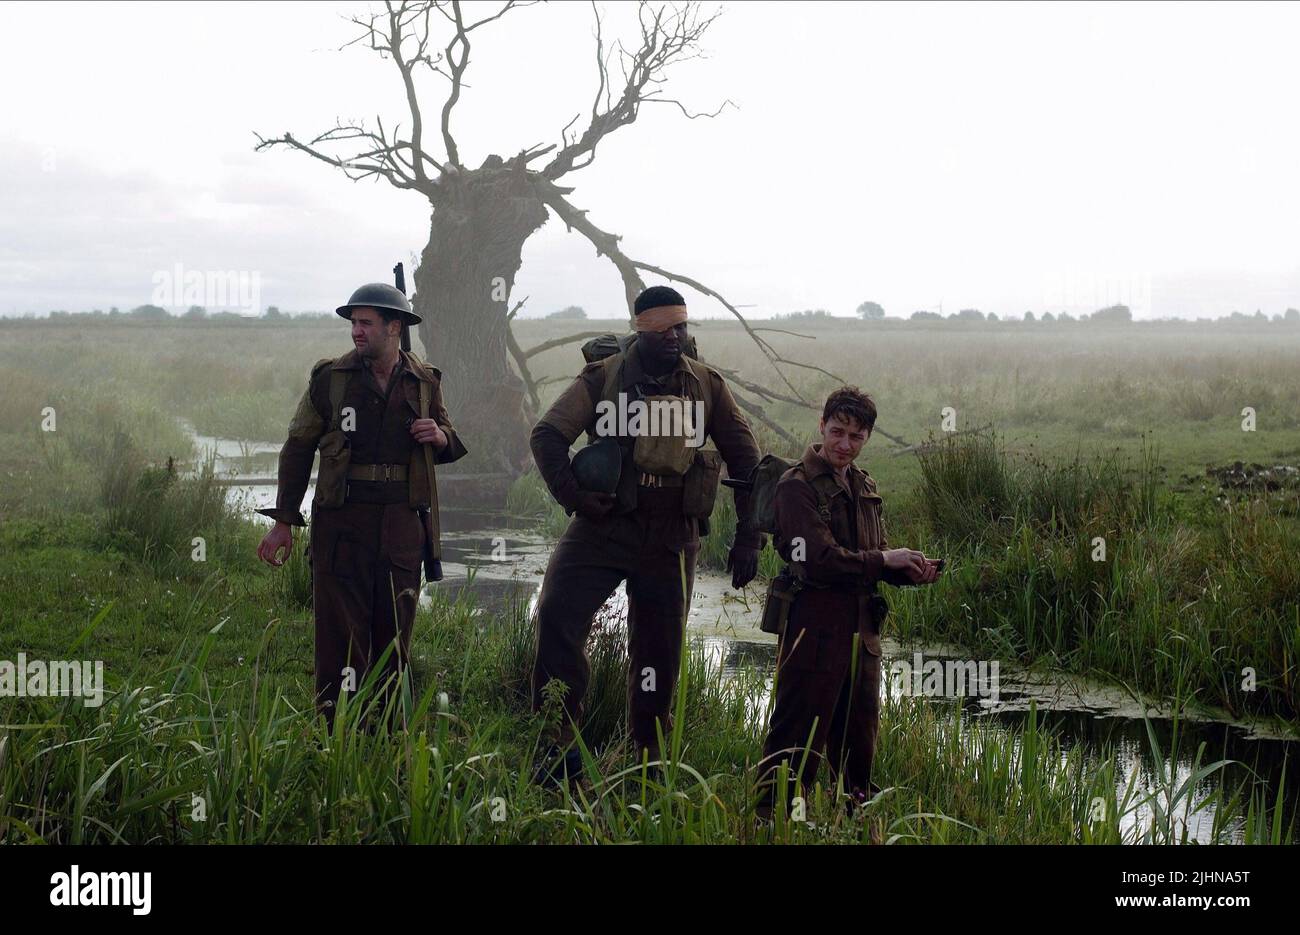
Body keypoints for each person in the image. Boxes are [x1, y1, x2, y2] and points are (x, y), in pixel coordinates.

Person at [529, 285, 762, 782]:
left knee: (658, 651)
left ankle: (647, 764)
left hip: (672, 534)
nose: (676, 337)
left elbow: (748, 463)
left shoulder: (706, 385)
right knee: (556, 615)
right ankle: (557, 747)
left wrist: (749, 538)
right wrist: (573, 496)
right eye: (665, 330)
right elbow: (547, 434)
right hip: (603, 525)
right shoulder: (603, 378)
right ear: (642, 331)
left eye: (682, 327)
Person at [255, 283, 467, 728]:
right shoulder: (330, 380)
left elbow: (450, 440)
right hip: (342, 524)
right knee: (340, 640)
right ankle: (337, 737)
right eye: (353, 322)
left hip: (403, 528)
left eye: (365, 323)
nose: (356, 331)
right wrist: (283, 522)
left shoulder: (425, 381)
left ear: (394, 328)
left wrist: (439, 436)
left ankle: (389, 739)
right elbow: (297, 450)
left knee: (395, 639)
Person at [755, 386, 940, 822]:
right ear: (821, 427)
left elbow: (868, 558)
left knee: (860, 739)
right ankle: (772, 824)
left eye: (856, 438)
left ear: (867, 438)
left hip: (862, 632)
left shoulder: (864, 484)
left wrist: (908, 569)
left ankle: (855, 822)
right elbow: (818, 560)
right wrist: (883, 560)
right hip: (813, 627)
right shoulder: (794, 487)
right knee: (796, 735)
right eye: (837, 432)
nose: (844, 445)